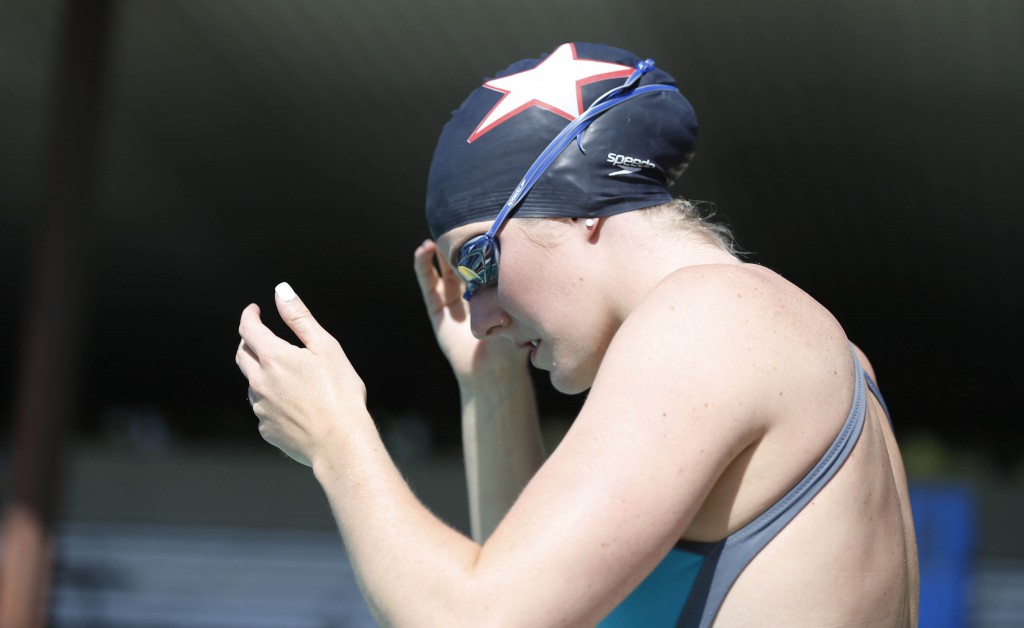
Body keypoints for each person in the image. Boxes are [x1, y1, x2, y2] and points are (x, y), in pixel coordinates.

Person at [236, 42, 919, 626]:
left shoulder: (713, 319)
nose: (481, 313)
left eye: (480, 262)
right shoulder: (790, 339)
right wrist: (492, 379)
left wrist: (338, 440)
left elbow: (480, 618)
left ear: (580, 206)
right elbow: (533, 590)